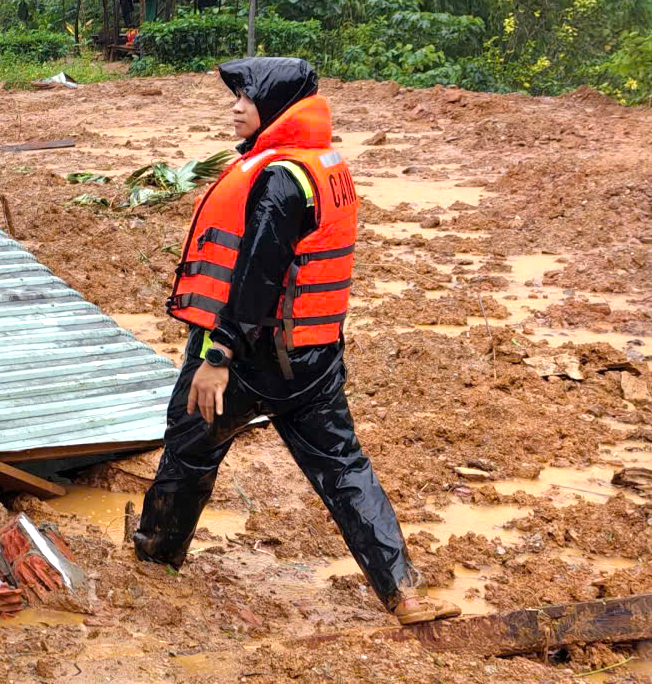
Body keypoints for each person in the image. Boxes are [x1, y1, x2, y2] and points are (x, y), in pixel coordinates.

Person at [131, 57, 459, 625]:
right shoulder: (322, 167)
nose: (235, 108)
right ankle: (403, 591)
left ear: (278, 107)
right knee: (344, 466)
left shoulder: (280, 180)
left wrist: (217, 354)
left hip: (244, 356)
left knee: (190, 450)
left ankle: (154, 559)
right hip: (313, 359)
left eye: (246, 98)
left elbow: (257, 274)